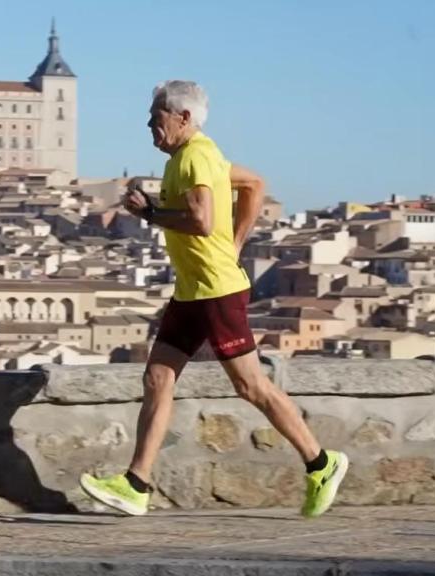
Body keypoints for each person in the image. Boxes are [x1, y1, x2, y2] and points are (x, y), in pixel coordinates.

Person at [80, 80, 348, 518]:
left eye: (157, 115)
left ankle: (322, 463)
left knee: (250, 386)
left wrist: (149, 214)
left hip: (216, 292)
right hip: (193, 291)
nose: (149, 123)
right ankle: (136, 485)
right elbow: (256, 183)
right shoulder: (198, 157)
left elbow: (202, 221)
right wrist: (236, 242)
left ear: (183, 118)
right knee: (157, 379)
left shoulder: (196, 157)